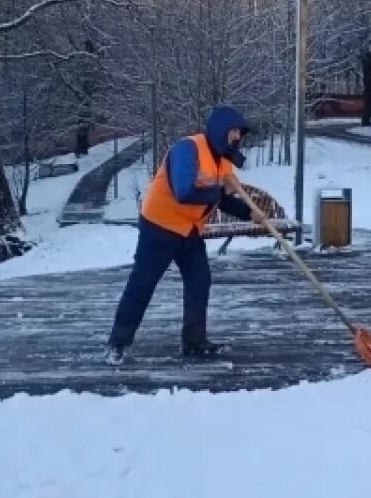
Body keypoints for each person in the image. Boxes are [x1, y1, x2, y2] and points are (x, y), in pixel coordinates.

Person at [104, 105, 263, 365]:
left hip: (189, 231)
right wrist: (219, 187)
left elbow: (221, 199)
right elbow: (184, 192)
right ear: (220, 129)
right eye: (234, 131)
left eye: (240, 133)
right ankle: (118, 343)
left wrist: (249, 213)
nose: (237, 137)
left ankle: (194, 342)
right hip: (160, 227)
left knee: (200, 282)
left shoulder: (223, 160)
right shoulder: (187, 149)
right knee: (142, 284)